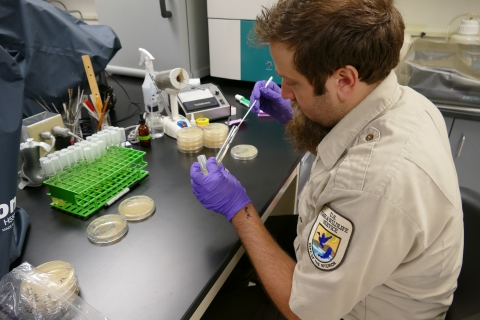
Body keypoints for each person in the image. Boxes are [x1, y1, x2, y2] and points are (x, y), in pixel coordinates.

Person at [190, 0, 463, 319]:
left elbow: (303, 312)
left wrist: (238, 209)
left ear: (344, 80)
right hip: (376, 272)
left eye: (293, 82)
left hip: (361, 312)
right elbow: (351, 152)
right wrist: (293, 119)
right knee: (235, 260)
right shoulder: (409, 102)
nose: (285, 92)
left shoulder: (371, 186)